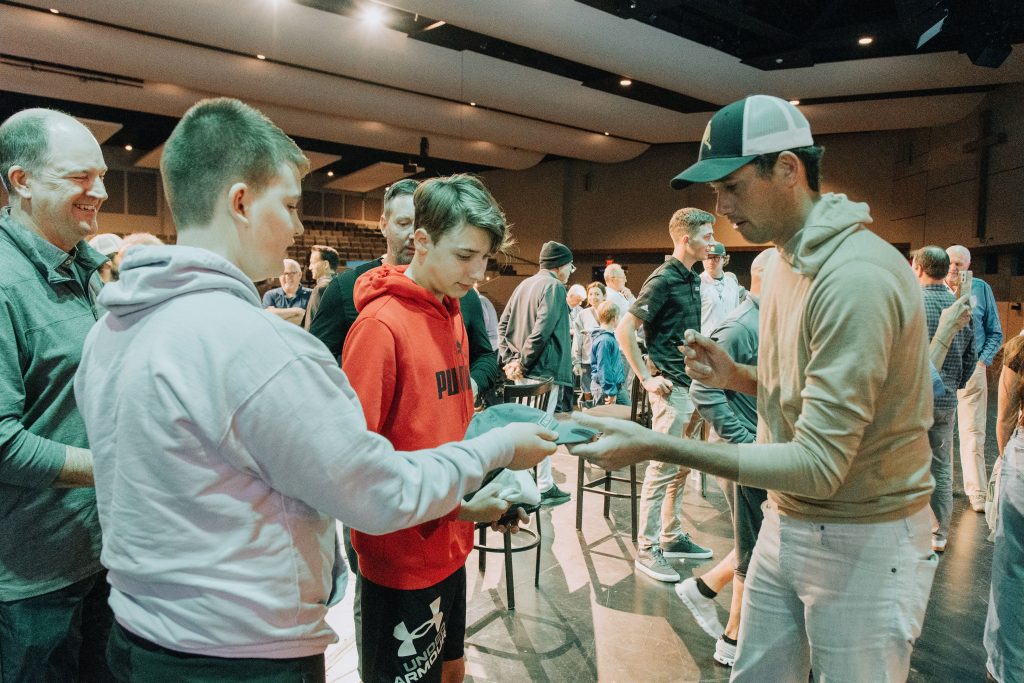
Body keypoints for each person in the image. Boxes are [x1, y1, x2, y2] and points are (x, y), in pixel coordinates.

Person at [73, 97, 557, 682]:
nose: (299, 227)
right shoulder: (254, 347)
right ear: (242, 203)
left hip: (139, 632)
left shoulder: (110, 329)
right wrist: (500, 448)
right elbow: (378, 492)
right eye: (292, 204)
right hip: (237, 651)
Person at [573, 94, 936, 681]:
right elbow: (808, 394)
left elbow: (822, 465)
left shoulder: (854, 277)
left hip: (863, 541)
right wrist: (738, 376)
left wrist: (652, 445)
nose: (719, 208)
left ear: (788, 170)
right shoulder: (788, 262)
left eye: (732, 187)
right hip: (786, 521)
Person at [343, 174, 516, 683]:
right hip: (400, 561)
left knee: (450, 674)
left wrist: (485, 490)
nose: (478, 273)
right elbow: (357, 472)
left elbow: (446, 431)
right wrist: (462, 504)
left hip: (449, 544)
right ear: (420, 241)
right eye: (465, 256)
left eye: (484, 258)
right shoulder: (380, 328)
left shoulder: (452, 312)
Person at [0, 108, 113, 681]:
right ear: (21, 182)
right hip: (29, 579)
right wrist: (116, 466)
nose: (99, 191)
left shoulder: (88, 271)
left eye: (101, 175)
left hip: (99, 557)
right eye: (79, 177)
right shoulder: (3, 282)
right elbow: (2, 444)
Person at [683, 247, 775, 666]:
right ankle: (732, 640)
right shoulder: (742, 325)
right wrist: (745, 442)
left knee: (759, 535)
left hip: (760, 451)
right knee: (755, 543)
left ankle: (702, 589)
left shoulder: (766, 320)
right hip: (745, 453)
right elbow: (702, 388)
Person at [615, 207, 715, 583]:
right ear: (686, 239)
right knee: (661, 470)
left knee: (682, 466)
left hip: (692, 388)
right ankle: (647, 548)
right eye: (707, 235)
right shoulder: (662, 279)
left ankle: (670, 536)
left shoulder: (690, 277)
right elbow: (625, 330)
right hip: (671, 391)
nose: (712, 242)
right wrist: (646, 378)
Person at [498, 240, 577, 506]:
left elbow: (503, 325)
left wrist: (511, 360)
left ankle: (540, 483)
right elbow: (542, 330)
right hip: (542, 371)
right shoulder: (554, 286)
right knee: (541, 431)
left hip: (525, 370)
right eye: (570, 266)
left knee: (530, 429)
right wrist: (523, 362)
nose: (570, 271)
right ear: (560, 265)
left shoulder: (524, 285)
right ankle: (539, 486)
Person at [914, 245, 975, 553]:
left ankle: (912, 529)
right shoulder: (961, 306)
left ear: (918, 268)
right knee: (941, 465)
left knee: (907, 463)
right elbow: (971, 355)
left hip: (912, 399)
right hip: (946, 399)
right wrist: (954, 386)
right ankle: (940, 535)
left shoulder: (909, 304)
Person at [946, 244, 1004, 512]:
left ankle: (977, 492)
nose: (954, 268)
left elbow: (995, 331)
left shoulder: (981, 288)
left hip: (973, 368)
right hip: (942, 368)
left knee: (973, 432)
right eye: (950, 262)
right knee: (940, 431)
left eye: (959, 263)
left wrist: (982, 360)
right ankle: (941, 486)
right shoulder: (934, 288)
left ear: (969, 266)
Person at [984, 334, 1024, 683]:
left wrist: (1006, 460)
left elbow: (1004, 421)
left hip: (1023, 466)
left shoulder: (1019, 350)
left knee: (1011, 573)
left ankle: (1006, 668)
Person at [699, 241, 746, 336]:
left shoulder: (732, 283)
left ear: (724, 259)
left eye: (716, 258)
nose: (711, 261)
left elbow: (736, 313)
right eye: (708, 257)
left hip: (729, 338)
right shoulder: (697, 283)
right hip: (705, 339)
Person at [572, 282, 605, 408]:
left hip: (604, 360)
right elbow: (577, 338)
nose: (593, 297)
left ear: (604, 296)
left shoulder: (609, 311)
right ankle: (588, 416)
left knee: (603, 391)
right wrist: (576, 361)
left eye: (597, 294)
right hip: (587, 359)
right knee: (586, 389)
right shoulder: (582, 314)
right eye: (590, 294)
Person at [590, 301, 629, 406]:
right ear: (614, 318)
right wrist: (610, 392)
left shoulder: (608, 338)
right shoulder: (605, 340)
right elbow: (604, 367)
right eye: (619, 316)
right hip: (606, 388)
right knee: (604, 420)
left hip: (614, 386)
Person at [303, 244, 341, 331]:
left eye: (312, 263)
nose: (309, 267)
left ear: (325, 265)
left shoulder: (321, 288)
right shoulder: (339, 285)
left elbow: (313, 327)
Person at [262, 258, 311, 324]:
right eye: (284, 274)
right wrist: (297, 311)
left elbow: (311, 321)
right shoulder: (270, 295)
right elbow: (267, 319)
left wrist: (277, 314)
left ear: (299, 275)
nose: (287, 277)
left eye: (291, 273)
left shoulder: (311, 295)